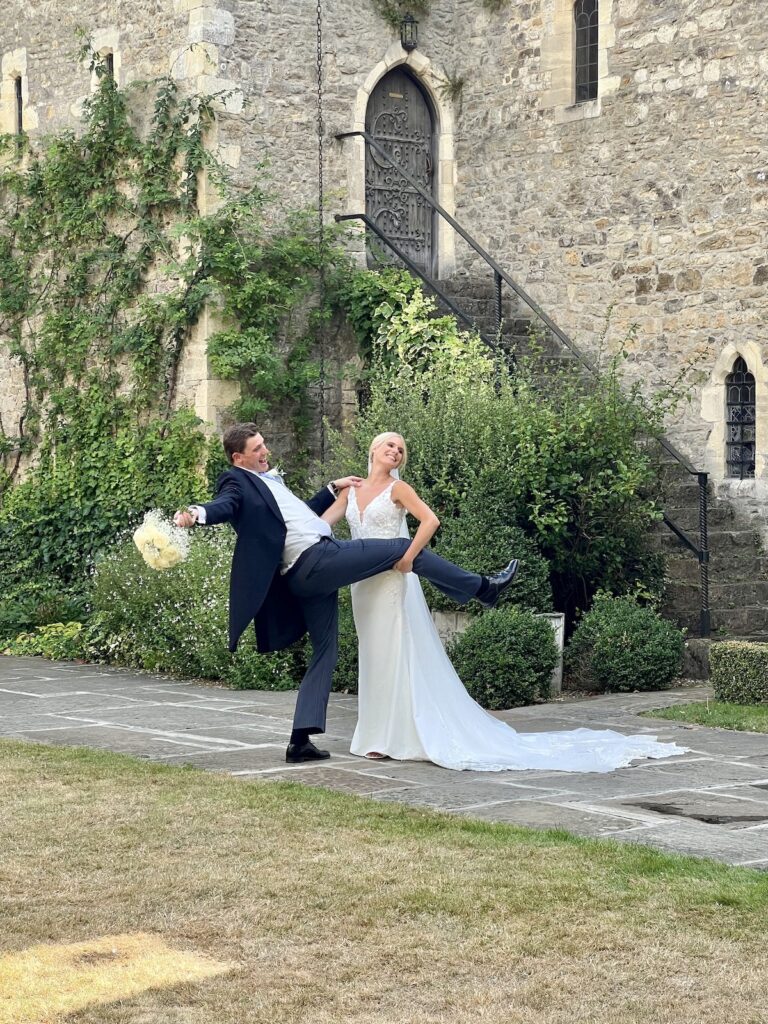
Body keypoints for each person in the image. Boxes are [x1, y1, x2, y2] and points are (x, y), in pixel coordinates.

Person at [321, 432, 688, 772]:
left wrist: (408, 557)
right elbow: (320, 525)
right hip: (363, 586)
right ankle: (373, 734)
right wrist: (332, 488)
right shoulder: (350, 492)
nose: (395, 451)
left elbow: (430, 520)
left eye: (401, 449)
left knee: (398, 652)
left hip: (392, 582)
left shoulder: (399, 489)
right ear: (372, 450)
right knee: (374, 654)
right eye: (389, 445)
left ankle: (398, 735)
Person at [174, 423, 519, 764]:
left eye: (264, 444)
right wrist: (195, 514)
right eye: (257, 449)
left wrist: (331, 487)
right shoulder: (236, 482)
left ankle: (299, 742)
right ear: (239, 457)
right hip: (316, 559)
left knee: (325, 649)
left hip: (304, 574)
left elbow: (303, 516)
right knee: (400, 546)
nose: (265, 452)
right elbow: (224, 504)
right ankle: (484, 588)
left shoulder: (269, 483)